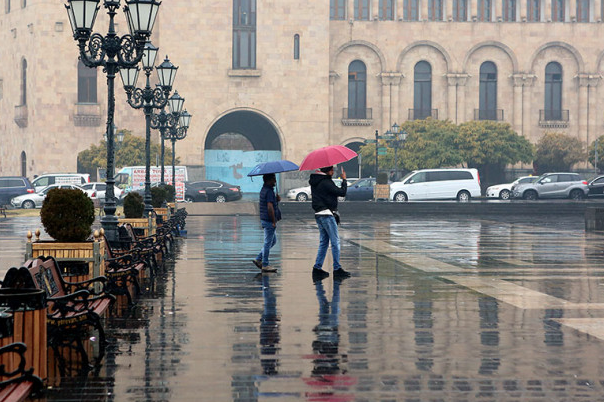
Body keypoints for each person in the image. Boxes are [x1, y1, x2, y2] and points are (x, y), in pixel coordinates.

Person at [309, 166, 351, 281]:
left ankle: (317, 268)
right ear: (327, 171)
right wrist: (344, 180)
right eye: (332, 170)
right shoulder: (326, 182)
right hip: (327, 214)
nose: (333, 172)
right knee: (335, 242)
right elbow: (342, 193)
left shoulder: (315, 181)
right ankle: (337, 269)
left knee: (324, 242)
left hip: (318, 214)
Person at [253, 173, 281, 272]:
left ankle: (258, 258)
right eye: (273, 179)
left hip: (265, 219)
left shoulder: (264, 190)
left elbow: (270, 203)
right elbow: (269, 207)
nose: (275, 181)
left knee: (272, 241)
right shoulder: (269, 191)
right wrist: (273, 221)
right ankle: (265, 264)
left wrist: (276, 200)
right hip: (269, 220)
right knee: (268, 242)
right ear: (269, 180)